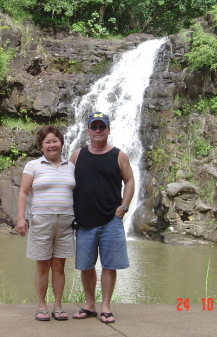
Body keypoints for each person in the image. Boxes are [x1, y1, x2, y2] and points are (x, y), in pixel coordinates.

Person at [69, 112, 134, 324]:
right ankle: (89, 305)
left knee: (109, 265)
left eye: (102, 127)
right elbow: (65, 182)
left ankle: (105, 307)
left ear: (108, 129)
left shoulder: (119, 155)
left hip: (111, 220)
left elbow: (130, 181)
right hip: (84, 220)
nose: (98, 130)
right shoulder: (77, 155)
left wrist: (124, 207)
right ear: (88, 130)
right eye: (94, 127)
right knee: (86, 265)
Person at [16, 125, 76, 322]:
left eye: (55, 141)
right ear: (41, 146)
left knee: (59, 265)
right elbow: (23, 192)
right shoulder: (33, 166)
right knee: (42, 265)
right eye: (47, 142)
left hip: (66, 221)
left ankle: (58, 306)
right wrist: (20, 218)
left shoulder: (71, 167)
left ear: (61, 143)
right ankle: (42, 306)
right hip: (41, 220)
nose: (52, 145)